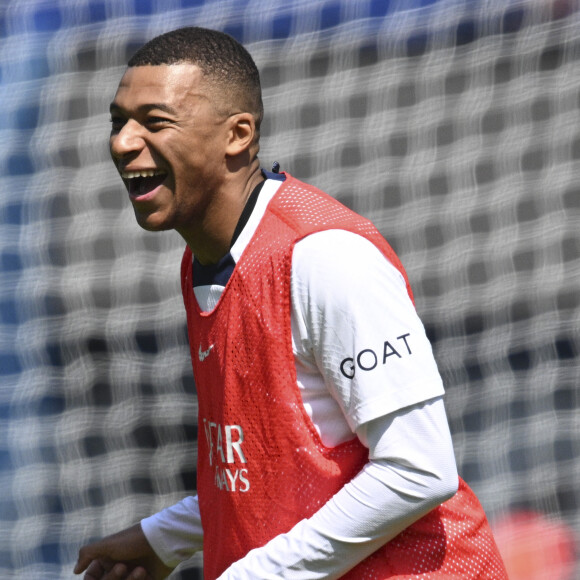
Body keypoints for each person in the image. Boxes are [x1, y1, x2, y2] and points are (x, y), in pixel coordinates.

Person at [75, 26, 508, 580]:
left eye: (154, 122)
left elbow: (418, 471)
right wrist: (167, 537)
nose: (122, 142)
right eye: (119, 121)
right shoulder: (202, 262)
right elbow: (283, 469)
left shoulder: (323, 257)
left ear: (238, 135)